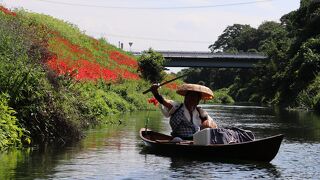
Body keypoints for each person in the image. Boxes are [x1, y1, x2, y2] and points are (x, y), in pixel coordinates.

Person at [151, 83, 218, 140]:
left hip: (196, 141)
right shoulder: (177, 107)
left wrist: (208, 125)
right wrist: (155, 92)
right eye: (190, 96)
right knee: (177, 140)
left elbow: (213, 126)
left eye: (195, 97)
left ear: (198, 100)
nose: (192, 99)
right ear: (186, 97)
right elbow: (163, 101)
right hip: (178, 140)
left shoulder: (200, 112)